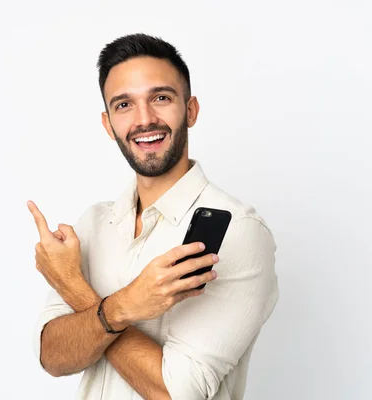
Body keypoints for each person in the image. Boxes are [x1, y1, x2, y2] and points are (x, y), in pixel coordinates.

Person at [27, 33, 279, 400]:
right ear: (108, 123)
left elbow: (176, 393)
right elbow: (52, 357)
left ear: (190, 110)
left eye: (161, 98)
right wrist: (118, 308)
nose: (144, 120)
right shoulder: (94, 224)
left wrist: (81, 291)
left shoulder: (238, 231)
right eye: (124, 104)